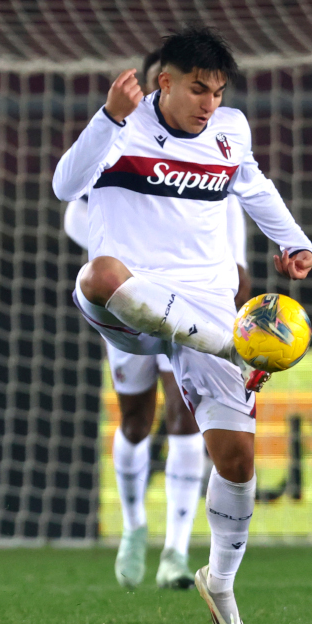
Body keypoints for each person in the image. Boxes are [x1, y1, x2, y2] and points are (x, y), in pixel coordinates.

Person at [52, 25, 312, 624]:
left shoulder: (231, 131)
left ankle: (219, 584)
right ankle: (237, 349)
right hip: (127, 301)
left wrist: (294, 240)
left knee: (236, 460)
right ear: (162, 81)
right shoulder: (122, 130)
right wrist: (107, 117)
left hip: (202, 304)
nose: (210, 103)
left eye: (218, 92)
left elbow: (252, 185)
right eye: (199, 89)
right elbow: (65, 187)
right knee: (101, 273)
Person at [63, 50, 253, 591]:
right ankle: (133, 528)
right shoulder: (117, 146)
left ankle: (174, 548)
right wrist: (119, 250)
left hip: (192, 303)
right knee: (135, 421)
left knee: (184, 419)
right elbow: (75, 204)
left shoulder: (215, 163)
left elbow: (231, 231)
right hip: (131, 300)